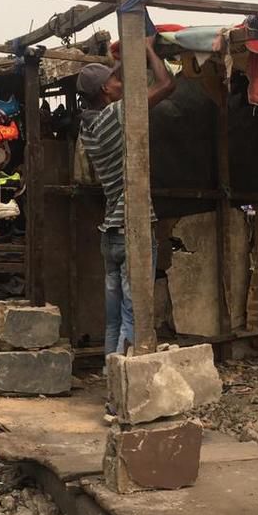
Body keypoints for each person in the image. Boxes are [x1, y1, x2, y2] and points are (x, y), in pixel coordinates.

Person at [77, 39, 175, 355]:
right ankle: (127, 380)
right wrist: (147, 49)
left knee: (114, 321)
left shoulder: (89, 126)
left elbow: (114, 82)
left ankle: (112, 377)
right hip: (132, 230)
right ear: (106, 90)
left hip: (111, 234)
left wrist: (123, 57)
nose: (122, 83)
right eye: (116, 80)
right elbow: (167, 84)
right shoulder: (116, 114)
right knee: (133, 316)